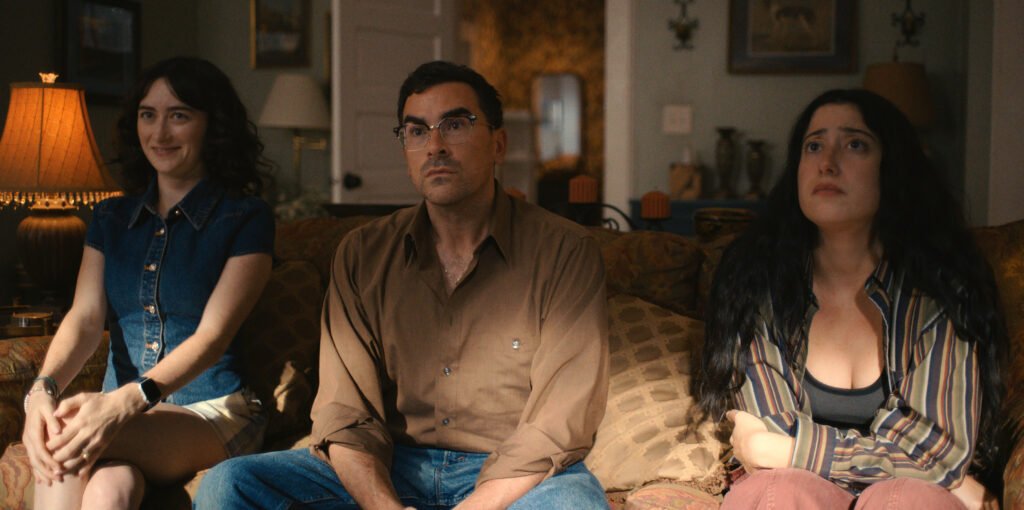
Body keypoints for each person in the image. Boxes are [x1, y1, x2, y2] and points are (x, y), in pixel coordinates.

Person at [196, 60, 610, 509]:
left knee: (574, 506)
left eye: (455, 125)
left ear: (498, 144)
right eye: (416, 131)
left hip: (512, 470)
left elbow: (558, 420)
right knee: (229, 484)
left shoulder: (565, 251)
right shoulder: (362, 254)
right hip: (393, 463)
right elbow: (345, 414)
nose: (435, 146)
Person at [698, 88, 1009, 509]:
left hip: (903, 498)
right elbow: (767, 439)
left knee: (906, 498)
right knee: (773, 490)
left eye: (855, 144)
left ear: (892, 167)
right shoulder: (755, 284)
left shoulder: (941, 290)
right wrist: (924, 470)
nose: (827, 162)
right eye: (814, 146)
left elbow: (934, 453)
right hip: (795, 491)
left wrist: (790, 450)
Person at [21, 57, 275, 509]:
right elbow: (84, 318)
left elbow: (212, 338)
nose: (159, 133)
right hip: (120, 415)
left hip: (211, 410)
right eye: (148, 114)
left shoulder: (246, 218)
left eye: (179, 115)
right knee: (108, 492)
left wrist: (128, 401)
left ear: (212, 125)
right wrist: (42, 391)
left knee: (67, 440)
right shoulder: (111, 217)